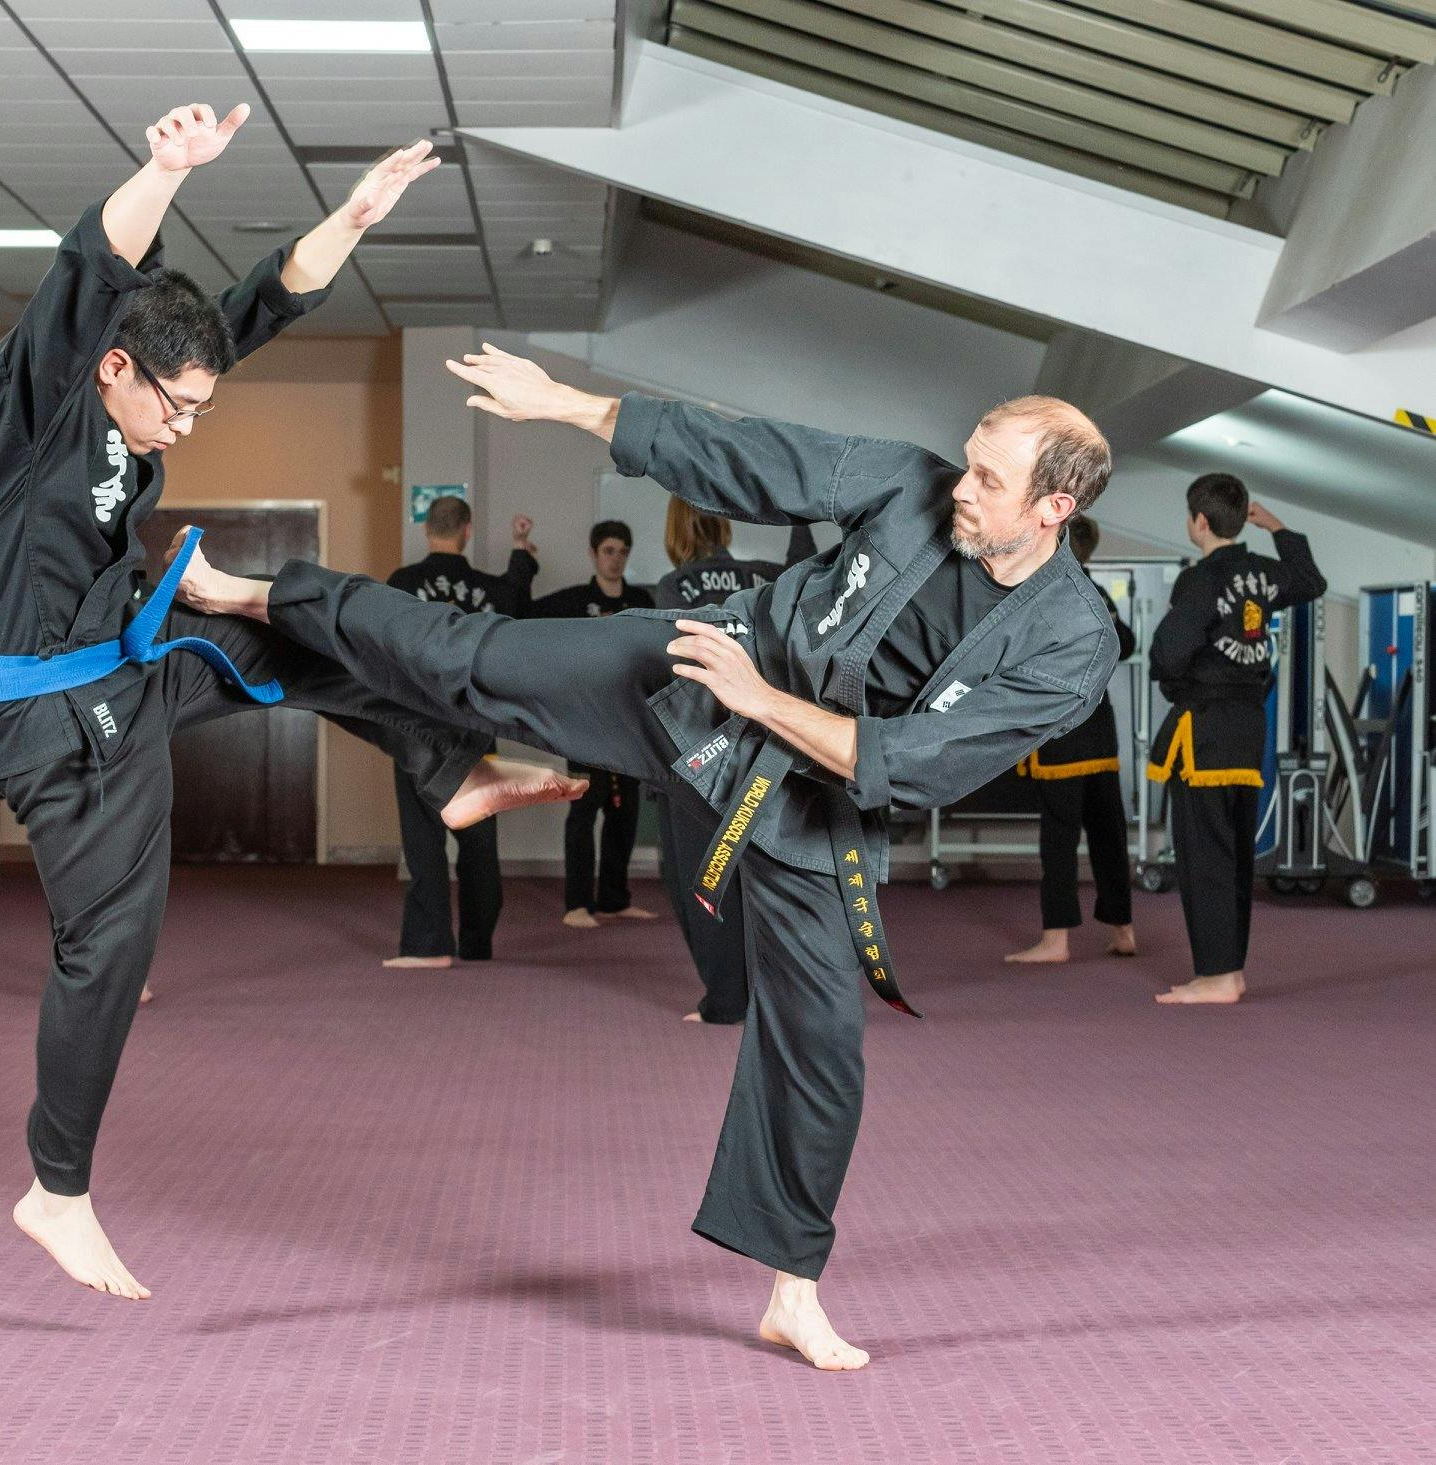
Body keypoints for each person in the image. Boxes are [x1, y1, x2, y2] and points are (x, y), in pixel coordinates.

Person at [167, 342, 1119, 1370]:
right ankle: (257, 600)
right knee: (469, 662)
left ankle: (792, 1290)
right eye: (970, 460)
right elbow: (749, 457)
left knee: (823, 1049)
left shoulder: (1071, 639)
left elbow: (918, 765)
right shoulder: (909, 485)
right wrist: (569, 406)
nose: (961, 486)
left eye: (988, 478)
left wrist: (767, 704)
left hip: (813, 796)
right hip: (706, 669)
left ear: (1053, 510)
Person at [0, 109, 580, 1301]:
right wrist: (165, 169)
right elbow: (93, 269)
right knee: (111, 939)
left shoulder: (151, 360)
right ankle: (55, 1187)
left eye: (199, 411)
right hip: (48, 724)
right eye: (174, 407)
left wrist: (349, 218)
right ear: (109, 366)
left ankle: (449, 772)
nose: (184, 427)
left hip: (125, 655)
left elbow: (259, 301)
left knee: (310, 631)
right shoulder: (26, 406)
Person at [1148, 477, 1326, 1005]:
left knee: (1203, 855)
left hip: (1203, 732)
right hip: (1249, 727)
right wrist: (1277, 528)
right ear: (1241, 518)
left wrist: (1182, 687)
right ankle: (1229, 970)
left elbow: (1167, 654)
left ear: (1198, 522)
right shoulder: (1265, 573)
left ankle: (1217, 976)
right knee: (1234, 856)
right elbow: (1311, 581)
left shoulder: (1200, 580)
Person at [652, 500, 815, 1023]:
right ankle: (778, 994)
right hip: (765, 745)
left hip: (696, 753)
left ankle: (725, 999)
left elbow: (672, 675)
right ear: (723, 523)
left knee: (697, 875)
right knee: (761, 874)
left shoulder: (672, 588)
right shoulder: (761, 578)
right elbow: (805, 589)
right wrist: (799, 523)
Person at [384, 500, 540, 969]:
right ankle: (477, 944)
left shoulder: (401, 585)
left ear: (428, 529)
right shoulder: (490, 590)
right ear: (468, 531)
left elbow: (379, 644)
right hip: (474, 726)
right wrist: (520, 552)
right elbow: (516, 602)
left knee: (423, 838)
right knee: (478, 840)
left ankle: (428, 945)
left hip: (415, 724)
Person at [1005, 514, 1137, 964]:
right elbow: (1129, 642)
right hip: (1100, 733)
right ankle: (1123, 929)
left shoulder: (1048, 593)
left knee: (1059, 839)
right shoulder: (1097, 594)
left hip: (1061, 731)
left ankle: (1056, 939)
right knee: (1108, 834)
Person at [531, 521, 658, 928]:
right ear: (592, 553)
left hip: (629, 725)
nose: (615, 558)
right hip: (585, 725)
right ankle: (577, 904)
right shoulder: (572, 601)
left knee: (625, 813)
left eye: (622, 551)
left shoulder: (641, 601)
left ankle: (615, 898)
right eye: (608, 550)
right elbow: (522, 614)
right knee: (584, 811)